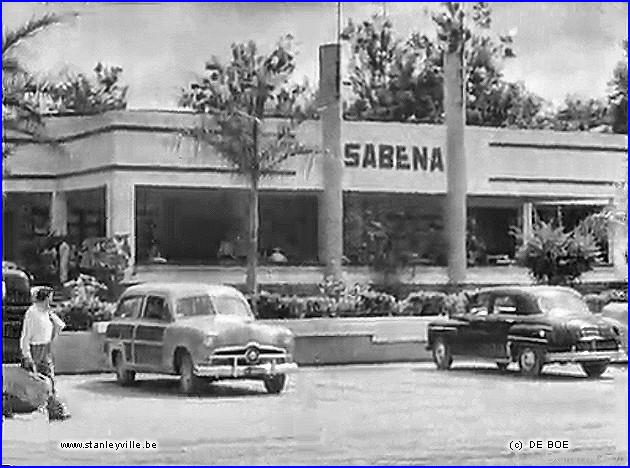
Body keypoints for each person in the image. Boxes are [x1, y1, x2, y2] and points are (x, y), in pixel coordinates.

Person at [20, 286, 71, 421]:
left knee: (49, 380)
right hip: (36, 348)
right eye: (49, 298)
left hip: (46, 347)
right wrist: (27, 354)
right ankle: (53, 408)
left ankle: (54, 409)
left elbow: (60, 325)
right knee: (44, 381)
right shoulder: (32, 312)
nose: (51, 301)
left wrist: (53, 328)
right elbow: (25, 335)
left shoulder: (46, 312)